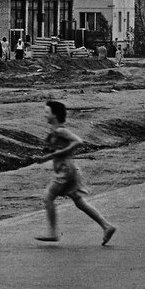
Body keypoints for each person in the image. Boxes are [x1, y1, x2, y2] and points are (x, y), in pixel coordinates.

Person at [35, 101, 116, 245]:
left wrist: (59, 152)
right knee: (78, 200)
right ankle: (106, 226)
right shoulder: (55, 131)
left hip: (66, 170)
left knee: (48, 197)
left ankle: (53, 233)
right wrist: (45, 157)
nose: (44, 115)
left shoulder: (61, 131)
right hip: (66, 168)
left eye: (47, 112)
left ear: (55, 115)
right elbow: (56, 151)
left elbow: (79, 142)